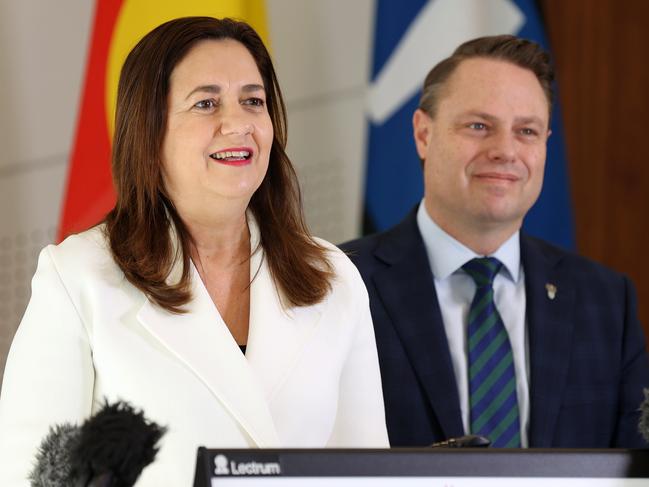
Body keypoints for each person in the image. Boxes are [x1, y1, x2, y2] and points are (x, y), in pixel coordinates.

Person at [0, 17, 388, 485]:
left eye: (253, 101)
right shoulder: (78, 276)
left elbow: (367, 472)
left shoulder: (332, 276)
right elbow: (31, 475)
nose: (237, 123)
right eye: (206, 103)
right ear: (150, 129)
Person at [342, 35, 649, 448]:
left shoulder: (607, 300)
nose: (505, 150)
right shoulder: (340, 284)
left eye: (526, 131)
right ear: (423, 134)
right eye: (479, 126)